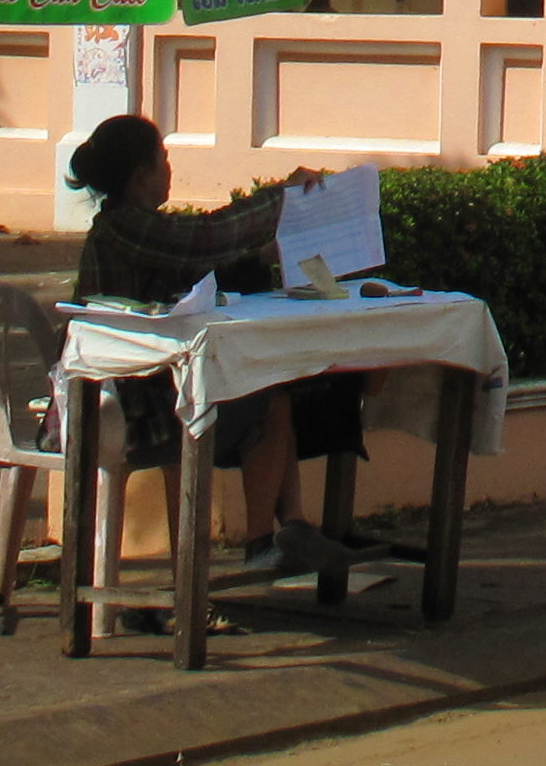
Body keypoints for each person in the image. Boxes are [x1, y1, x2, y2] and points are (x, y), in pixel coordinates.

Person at [63, 114, 369, 576]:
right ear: (141, 175)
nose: (170, 170)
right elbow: (204, 240)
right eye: (163, 160)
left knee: (278, 389)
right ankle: (266, 538)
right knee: (270, 400)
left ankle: (289, 528)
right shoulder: (126, 227)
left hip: (151, 386)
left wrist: (258, 257)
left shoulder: (133, 227)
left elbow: (195, 263)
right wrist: (280, 200)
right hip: (131, 404)